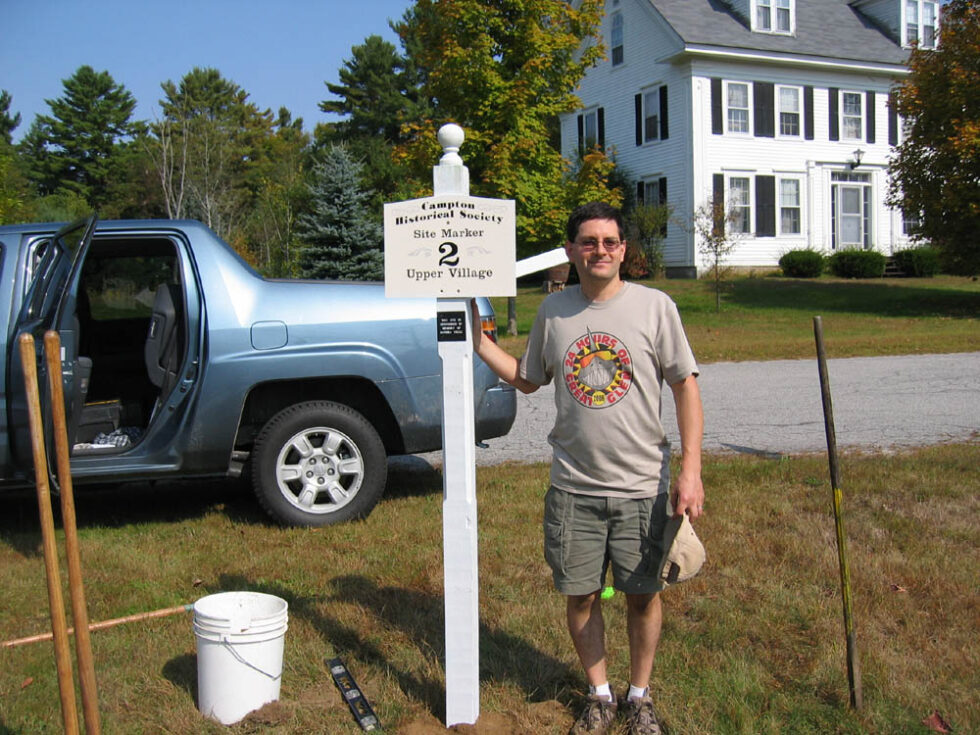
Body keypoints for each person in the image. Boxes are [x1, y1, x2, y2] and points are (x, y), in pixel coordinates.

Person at [471, 201, 705, 735]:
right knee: (580, 595)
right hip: (573, 488)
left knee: (642, 595)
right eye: (589, 241)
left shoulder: (655, 307)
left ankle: (639, 697)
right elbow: (528, 378)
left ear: (623, 250)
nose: (600, 250)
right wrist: (479, 341)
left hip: (642, 486)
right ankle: (599, 695)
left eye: (610, 242)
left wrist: (690, 470)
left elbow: (685, 387)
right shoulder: (553, 312)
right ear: (571, 250)